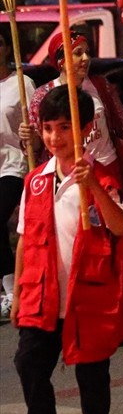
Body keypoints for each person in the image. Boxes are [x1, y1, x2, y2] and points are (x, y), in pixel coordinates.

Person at [10, 85, 123, 414]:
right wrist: (17, 294)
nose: (54, 137)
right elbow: (27, 240)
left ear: (86, 129)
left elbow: (119, 226)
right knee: (29, 362)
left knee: (91, 375)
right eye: (48, 128)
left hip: (88, 297)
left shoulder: (101, 176)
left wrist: (92, 186)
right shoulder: (36, 181)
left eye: (65, 127)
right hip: (43, 296)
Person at [22, 29, 123, 198]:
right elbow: (37, 145)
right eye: (78, 53)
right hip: (68, 173)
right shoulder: (43, 95)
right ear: (61, 61)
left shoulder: (100, 85)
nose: (86, 58)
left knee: (112, 221)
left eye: (87, 52)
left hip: (107, 168)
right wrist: (30, 138)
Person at [0, 29, 35, 320]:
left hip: (13, 165)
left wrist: (30, 133)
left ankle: (12, 291)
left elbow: (36, 123)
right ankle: (7, 289)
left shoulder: (22, 83)